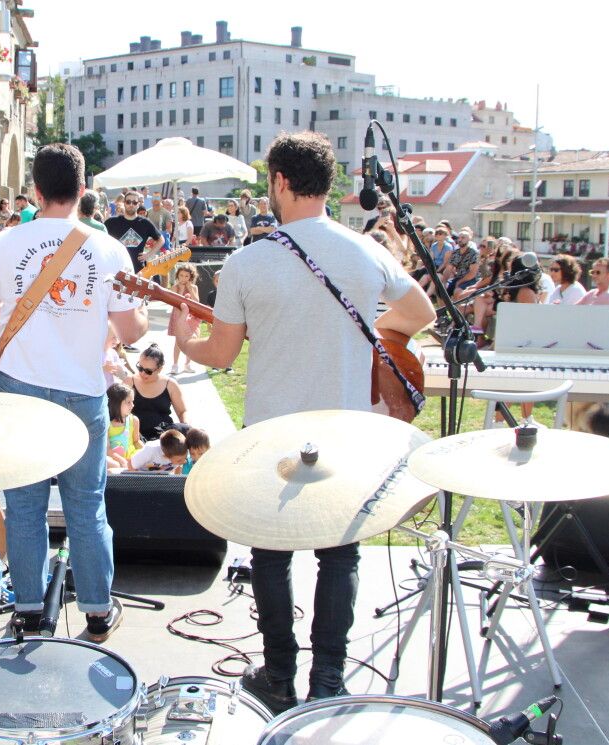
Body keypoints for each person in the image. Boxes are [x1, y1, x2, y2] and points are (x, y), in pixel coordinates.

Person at [170, 131, 434, 712]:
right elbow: (422, 312)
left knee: (270, 552)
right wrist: (367, 327)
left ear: (281, 182)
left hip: (274, 432)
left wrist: (187, 336)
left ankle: (278, 675)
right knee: (341, 553)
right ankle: (330, 680)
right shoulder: (367, 250)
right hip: (349, 429)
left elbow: (222, 356)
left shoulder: (247, 261)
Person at [0, 142, 147, 642]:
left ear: (35, 190)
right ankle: (96, 609)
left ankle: (27, 607)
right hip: (82, 392)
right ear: (83, 190)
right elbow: (131, 332)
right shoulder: (109, 248)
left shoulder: (4, 244)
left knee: (24, 505)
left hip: (20, 393)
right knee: (86, 506)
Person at [126, 344, 190, 439]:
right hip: (135, 436)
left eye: (148, 371)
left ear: (160, 368)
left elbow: (182, 411)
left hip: (163, 437)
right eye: (140, 368)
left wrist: (185, 427)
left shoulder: (170, 384)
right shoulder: (129, 381)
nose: (142, 373)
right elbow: (117, 409)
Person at [105, 190, 165, 271]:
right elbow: (100, 238)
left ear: (138, 204)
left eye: (134, 203)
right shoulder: (112, 222)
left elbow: (161, 240)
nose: (131, 205)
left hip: (138, 269)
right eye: (128, 202)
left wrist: (148, 254)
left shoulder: (145, 222)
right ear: (124, 203)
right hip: (117, 268)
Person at [168, 264, 200, 374]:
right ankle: (175, 364)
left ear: (191, 277)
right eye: (181, 275)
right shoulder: (174, 287)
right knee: (178, 342)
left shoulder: (194, 287)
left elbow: (197, 303)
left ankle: (187, 364)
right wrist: (181, 291)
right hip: (178, 316)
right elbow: (175, 303)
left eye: (186, 276)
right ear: (177, 275)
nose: (183, 278)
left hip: (191, 318)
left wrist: (190, 290)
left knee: (190, 341)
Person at [106, 382, 143, 471]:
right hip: (116, 460)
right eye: (128, 402)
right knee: (112, 466)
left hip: (132, 458)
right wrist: (121, 460)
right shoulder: (107, 424)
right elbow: (107, 448)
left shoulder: (134, 420)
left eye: (132, 401)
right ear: (116, 404)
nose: (132, 405)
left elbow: (136, 441)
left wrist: (146, 452)